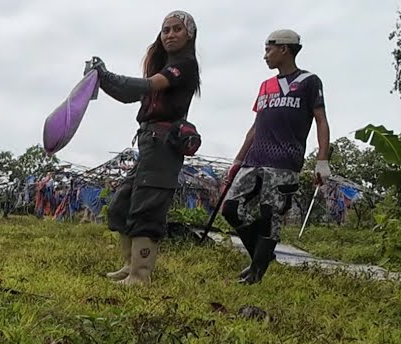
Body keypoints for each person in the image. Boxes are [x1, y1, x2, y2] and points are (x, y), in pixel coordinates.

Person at [87, 10, 201, 285]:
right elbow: (132, 93)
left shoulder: (184, 66)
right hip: (148, 142)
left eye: (177, 29)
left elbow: (147, 86)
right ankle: (130, 266)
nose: (170, 34)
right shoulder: (164, 66)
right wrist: (103, 79)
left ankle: (141, 275)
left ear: (190, 34)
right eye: (166, 30)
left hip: (164, 144)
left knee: (147, 208)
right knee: (121, 205)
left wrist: (107, 76)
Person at [224, 29, 330, 285]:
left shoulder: (309, 81)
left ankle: (256, 276)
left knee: (270, 215)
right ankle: (262, 257)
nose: (265, 56)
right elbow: (255, 126)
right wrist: (238, 161)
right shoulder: (266, 86)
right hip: (254, 159)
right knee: (231, 208)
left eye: (268, 49)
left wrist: (322, 161)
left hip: (284, 162)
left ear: (284, 49)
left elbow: (321, 121)